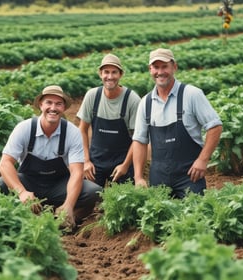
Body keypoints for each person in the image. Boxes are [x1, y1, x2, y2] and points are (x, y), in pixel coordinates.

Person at [0, 85, 103, 229]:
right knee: (1, 184)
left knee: (93, 191)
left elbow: (77, 172)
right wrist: (21, 192)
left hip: (58, 186)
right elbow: (4, 164)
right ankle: (22, 214)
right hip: (30, 183)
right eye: (49, 102)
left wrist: (69, 204)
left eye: (58, 104)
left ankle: (65, 217)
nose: (53, 108)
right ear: (41, 105)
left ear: (64, 107)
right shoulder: (24, 128)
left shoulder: (72, 133)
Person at [132, 48, 223, 198]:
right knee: (159, 219)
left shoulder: (192, 94)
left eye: (164, 66)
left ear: (174, 67)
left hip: (190, 176)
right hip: (158, 179)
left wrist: (202, 160)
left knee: (194, 218)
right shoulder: (145, 103)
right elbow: (140, 141)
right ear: (150, 70)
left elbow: (215, 126)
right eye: (156, 67)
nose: (160, 72)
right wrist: (138, 177)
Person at [77, 53, 141, 187]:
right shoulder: (92, 96)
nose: (110, 77)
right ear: (100, 73)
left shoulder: (132, 99)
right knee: (86, 198)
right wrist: (86, 161)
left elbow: (138, 138)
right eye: (106, 72)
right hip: (96, 162)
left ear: (121, 74)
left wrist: (125, 165)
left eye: (114, 72)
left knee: (122, 201)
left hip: (122, 162)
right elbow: (82, 130)